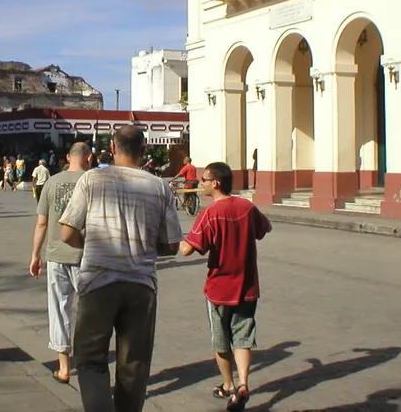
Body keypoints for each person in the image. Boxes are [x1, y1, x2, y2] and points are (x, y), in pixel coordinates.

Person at [59, 125, 183, 412]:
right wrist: (148, 245)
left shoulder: (92, 179)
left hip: (98, 283)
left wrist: (88, 243)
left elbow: (67, 232)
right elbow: (172, 244)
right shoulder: (159, 186)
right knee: (134, 366)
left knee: (90, 359)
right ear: (143, 151)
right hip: (141, 286)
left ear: (112, 148)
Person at [180, 161, 272, 411]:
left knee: (221, 340)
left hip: (219, 288)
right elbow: (265, 228)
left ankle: (229, 385)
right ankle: (243, 383)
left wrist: (178, 239)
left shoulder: (210, 214)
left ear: (216, 183)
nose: (202, 183)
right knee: (243, 336)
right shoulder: (246, 207)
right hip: (247, 285)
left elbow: (187, 249)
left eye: (204, 180)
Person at [30, 142, 91, 384]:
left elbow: (42, 223)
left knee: (59, 309)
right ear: (89, 157)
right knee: (89, 312)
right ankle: (88, 361)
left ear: (68, 157)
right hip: (86, 256)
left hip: (56, 254)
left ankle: (64, 367)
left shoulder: (52, 182)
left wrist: (36, 254)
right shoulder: (94, 181)